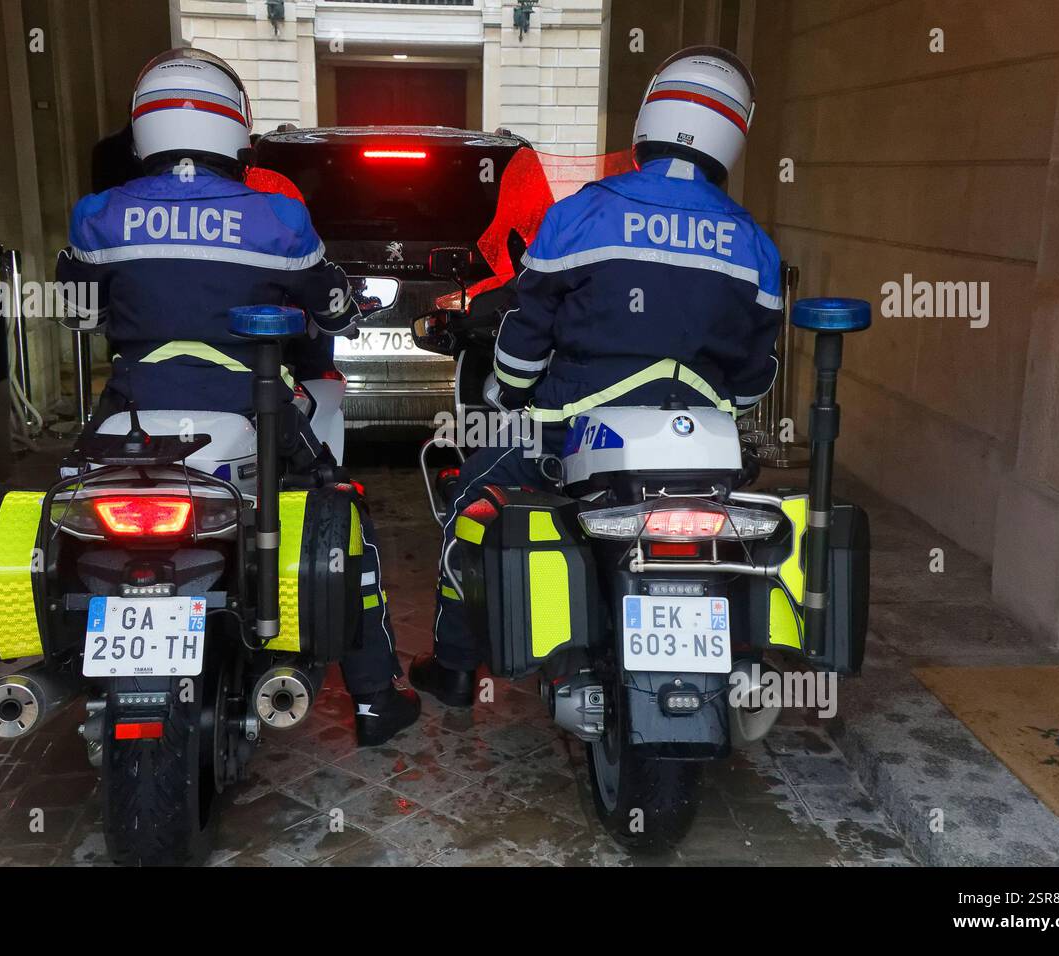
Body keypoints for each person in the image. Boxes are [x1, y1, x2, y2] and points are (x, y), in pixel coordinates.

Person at [55, 48, 419, 745]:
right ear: (236, 129)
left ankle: (65, 654)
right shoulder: (276, 220)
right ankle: (374, 697)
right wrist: (342, 310)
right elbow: (332, 304)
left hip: (133, 402)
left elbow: (76, 312)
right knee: (341, 519)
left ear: (142, 132)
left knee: (67, 502)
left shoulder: (98, 215)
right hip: (248, 404)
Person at [410, 46, 784, 706]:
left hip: (568, 436)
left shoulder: (582, 213)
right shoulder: (754, 242)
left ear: (648, 120)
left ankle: (458, 670)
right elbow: (754, 376)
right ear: (735, 132)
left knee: (471, 502)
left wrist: (511, 388)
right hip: (702, 451)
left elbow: (527, 333)